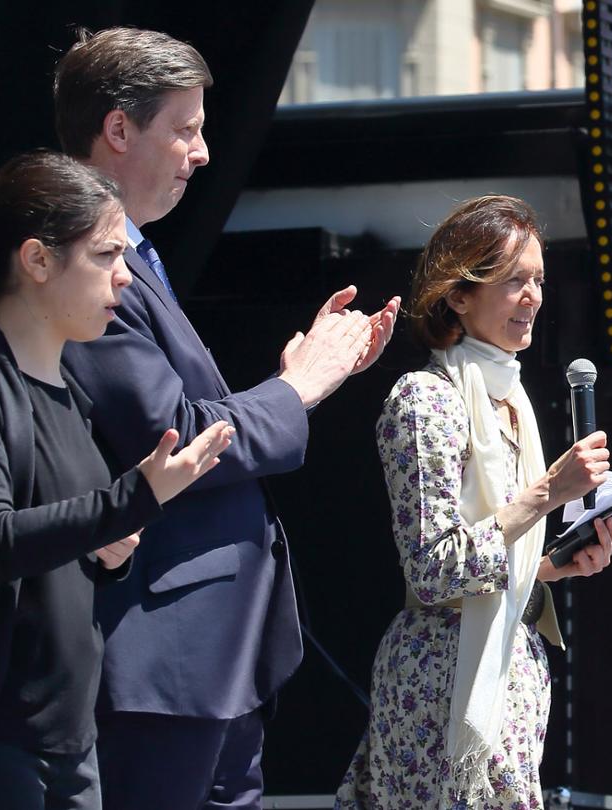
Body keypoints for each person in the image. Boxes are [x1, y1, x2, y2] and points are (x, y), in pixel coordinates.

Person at [51, 28, 400, 809]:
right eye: (184, 129)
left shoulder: (136, 259)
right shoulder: (88, 265)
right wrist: (297, 387)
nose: (203, 152)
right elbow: (171, 435)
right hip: (163, 659)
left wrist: (300, 381)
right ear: (118, 130)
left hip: (211, 656)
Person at [0, 151, 233, 809]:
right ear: (38, 260)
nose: (125, 277)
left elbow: (58, 543)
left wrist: (109, 550)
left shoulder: (70, 396)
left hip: (67, 738)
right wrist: (133, 498)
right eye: (105, 256)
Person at [335, 195, 612, 809]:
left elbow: (490, 557)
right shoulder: (425, 399)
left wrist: (551, 567)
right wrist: (548, 492)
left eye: (538, 280)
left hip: (511, 669)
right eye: (514, 280)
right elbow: (433, 569)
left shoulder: (510, 401)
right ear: (459, 295)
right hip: (438, 679)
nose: (533, 297)